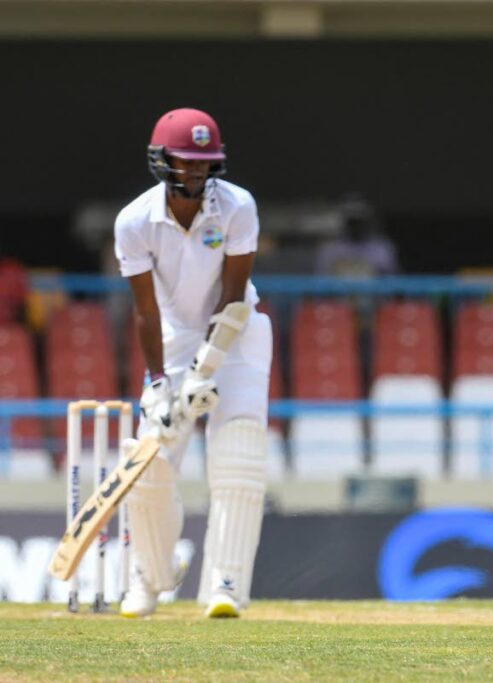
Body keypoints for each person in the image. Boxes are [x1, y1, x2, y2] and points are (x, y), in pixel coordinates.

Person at [113, 108, 272, 618]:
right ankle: (151, 577)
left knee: (238, 453)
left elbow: (232, 298)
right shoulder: (135, 221)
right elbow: (144, 310)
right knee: (152, 458)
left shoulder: (236, 206)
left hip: (238, 333)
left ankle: (225, 585)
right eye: (186, 162)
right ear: (163, 161)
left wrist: (208, 368)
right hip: (172, 337)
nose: (197, 173)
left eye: (206, 163)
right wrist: (161, 384)